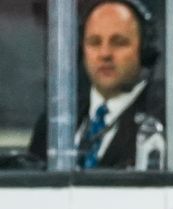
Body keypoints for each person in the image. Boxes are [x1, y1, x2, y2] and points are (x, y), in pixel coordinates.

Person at [27, 0, 164, 169]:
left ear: (145, 51)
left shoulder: (164, 121)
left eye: (119, 42)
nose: (105, 54)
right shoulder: (55, 122)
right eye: (94, 42)